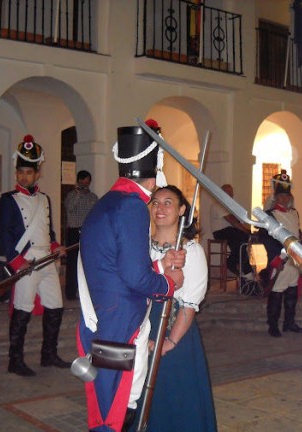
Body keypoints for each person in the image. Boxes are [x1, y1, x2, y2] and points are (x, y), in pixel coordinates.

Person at [77, 120, 185, 432]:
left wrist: (162, 266)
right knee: (114, 408)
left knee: (111, 404)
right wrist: (168, 282)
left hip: (105, 317)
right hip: (120, 323)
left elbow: (118, 267)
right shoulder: (132, 206)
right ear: (156, 164)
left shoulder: (111, 200)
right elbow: (136, 278)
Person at [138, 185, 217, 431]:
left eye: (168, 202)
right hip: (139, 330)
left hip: (174, 334)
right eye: (156, 202)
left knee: (175, 401)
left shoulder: (191, 251)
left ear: (182, 209)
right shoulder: (140, 246)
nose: (160, 208)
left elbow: (189, 305)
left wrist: (168, 343)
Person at [0, 134, 71, 377]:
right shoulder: (8, 200)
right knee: (22, 310)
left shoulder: (45, 199)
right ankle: (14, 360)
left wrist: (56, 245)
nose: (24, 176)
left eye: (29, 172)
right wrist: (17, 262)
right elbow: (4, 234)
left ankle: (48, 354)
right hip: (25, 262)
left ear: (37, 174)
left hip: (47, 260)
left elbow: (48, 230)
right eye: (21, 172)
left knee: (56, 307)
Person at [259, 170, 302, 337]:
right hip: (281, 259)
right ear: (276, 197)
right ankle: (273, 325)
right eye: (281, 196)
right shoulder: (269, 215)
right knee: (276, 292)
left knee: (292, 291)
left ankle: (289, 322)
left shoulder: (294, 213)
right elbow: (265, 237)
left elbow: (295, 232)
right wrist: (275, 258)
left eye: (287, 196)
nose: (284, 199)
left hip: (295, 259)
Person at [64, 169, 98, 300]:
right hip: (73, 232)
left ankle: (85, 291)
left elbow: (96, 215)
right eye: (82, 182)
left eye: (87, 183)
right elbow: (69, 208)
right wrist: (78, 193)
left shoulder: (93, 197)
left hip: (87, 232)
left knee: (86, 262)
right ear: (77, 181)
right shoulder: (71, 195)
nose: (85, 185)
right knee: (72, 263)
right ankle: (71, 292)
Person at [210, 183, 254, 280]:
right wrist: (247, 232)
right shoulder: (219, 204)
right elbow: (233, 221)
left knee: (241, 244)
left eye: (231, 193)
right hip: (220, 232)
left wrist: (248, 230)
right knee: (241, 235)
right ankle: (236, 265)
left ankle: (240, 267)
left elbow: (239, 221)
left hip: (231, 233)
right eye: (228, 193)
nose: (230, 196)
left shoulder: (230, 207)